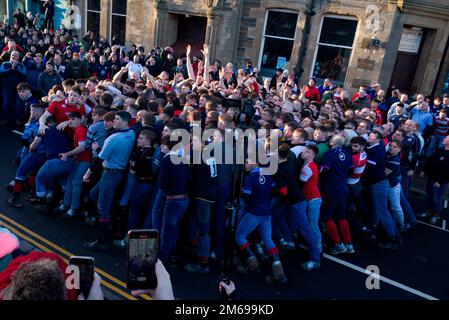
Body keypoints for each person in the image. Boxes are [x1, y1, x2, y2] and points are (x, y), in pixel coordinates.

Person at [84, 111, 135, 251]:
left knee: (103, 206)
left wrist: (88, 174)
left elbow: (99, 159)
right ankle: (107, 222)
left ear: (125, 122)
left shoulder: (113, 139)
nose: (114, 121)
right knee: (94, 195)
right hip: (119, 173)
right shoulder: (131, 134)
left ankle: (101, 240)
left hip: (110, 173)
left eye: (117, 119)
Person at [236, 160, 287, 284]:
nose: (245, 165)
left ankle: (253, 264)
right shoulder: (268, 174)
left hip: (254, 212)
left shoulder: (250, 177)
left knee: (239, 236)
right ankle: (279, 272)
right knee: (268, 240)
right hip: (267, 211)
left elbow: (247, 197)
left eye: (247, 162)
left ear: (255, 163)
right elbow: (274, 190)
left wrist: (244, 192)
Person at [319, 134, 354, 255]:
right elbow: (351, 169)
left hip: (332, 188)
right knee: (341, 215)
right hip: (344, 187)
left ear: (332, 143)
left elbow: (325, 169)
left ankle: (338, 244)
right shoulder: (348, 154)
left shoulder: (329, 154)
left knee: (327, 216)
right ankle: (349, 244)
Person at [419, 135, 449, 224]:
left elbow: (448, 171)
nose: (444, 139)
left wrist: (440, 182)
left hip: (439, 182)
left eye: (447, 138)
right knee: (428, 196)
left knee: (436, 198)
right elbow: (430, 160)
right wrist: (424, 170)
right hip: (431, 177)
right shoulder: (439, 150)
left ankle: (435, 215)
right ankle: (428, 212)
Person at [0, 50, 27, 125]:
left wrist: (16, 68)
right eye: (13, 55)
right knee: (5, 104)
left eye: (16, 55)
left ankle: (17, 119)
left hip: (19, 89)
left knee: (17, 104)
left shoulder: (21, 65)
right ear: (10, 56)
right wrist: (12, 68)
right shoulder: (4, 64)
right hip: (6, 88)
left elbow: (24, 75)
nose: (14, 57)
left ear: (18, 57)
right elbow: (1, 73)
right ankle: (4, 119)